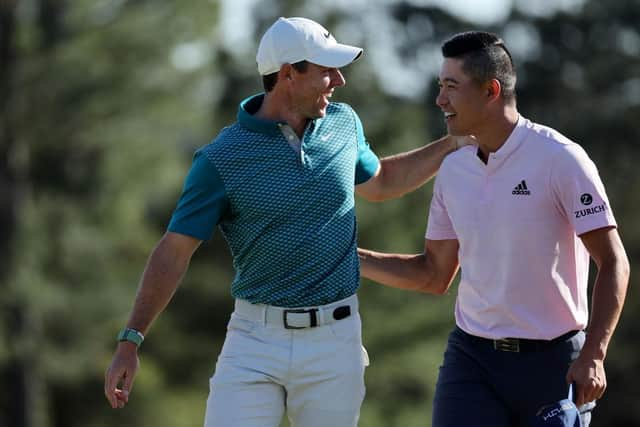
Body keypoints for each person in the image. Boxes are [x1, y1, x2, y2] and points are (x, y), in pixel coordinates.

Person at [104, 17, 467, 427]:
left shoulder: (343, 123)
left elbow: (380, 181)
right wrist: (131, 339)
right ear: (288, 75)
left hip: (335, 342)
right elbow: (174, 250)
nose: (339, 80)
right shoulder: (221, 159)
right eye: (326, 70)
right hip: (254, 341)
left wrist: (452, 144)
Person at [358, 31, 630, 427]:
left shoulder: (561, 160)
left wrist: (595, 353)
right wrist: (352, 256)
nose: (440, 100)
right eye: (439, 86)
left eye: (451, 87)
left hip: (554, 363)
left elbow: (613, 262)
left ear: (491, 90)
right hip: (473, 362)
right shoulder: (452, 168)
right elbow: (434, 275)